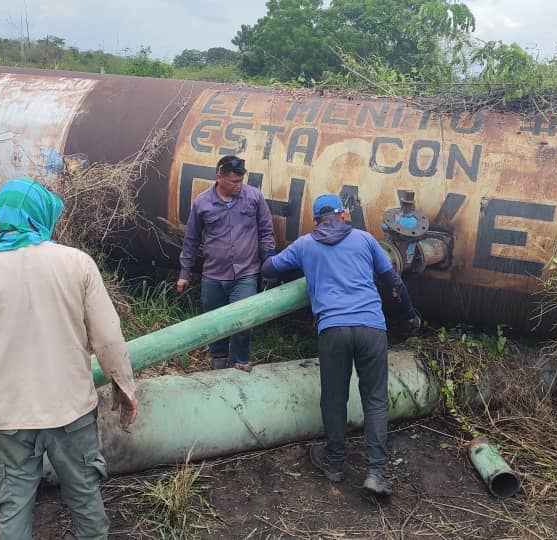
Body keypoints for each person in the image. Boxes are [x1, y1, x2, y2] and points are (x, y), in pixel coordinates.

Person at [0, 178, 139, 539]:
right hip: (71, 408)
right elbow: (108, 337)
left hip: (9, 415)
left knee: (12, 502)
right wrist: (124, 385)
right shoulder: (77, 264)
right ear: (41, 213)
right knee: (84, 493)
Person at [262, 193, 422, 496]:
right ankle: (375, 473)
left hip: (333, 329)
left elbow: (270, 268)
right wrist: (409, 316)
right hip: (371, 327)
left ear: (315, 220)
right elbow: (393, 283)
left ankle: (334, 463)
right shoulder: (365, 240)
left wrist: (269, 250)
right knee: (375, 400)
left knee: (334, 398)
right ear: (343, 215)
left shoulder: (305, 244)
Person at [177, 155, 276, 372]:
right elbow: (191, 239)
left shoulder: (254, 197)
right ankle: (218, 362)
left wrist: (269, 268)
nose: (238, 185)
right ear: (219, 177)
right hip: (213, 275)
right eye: (233, 181)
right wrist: (184, 272)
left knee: (243, 322)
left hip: (245, 274)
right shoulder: (202, 202)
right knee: (216, 322)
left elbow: (266, 233)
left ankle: (239, 363)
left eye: (241, 180)